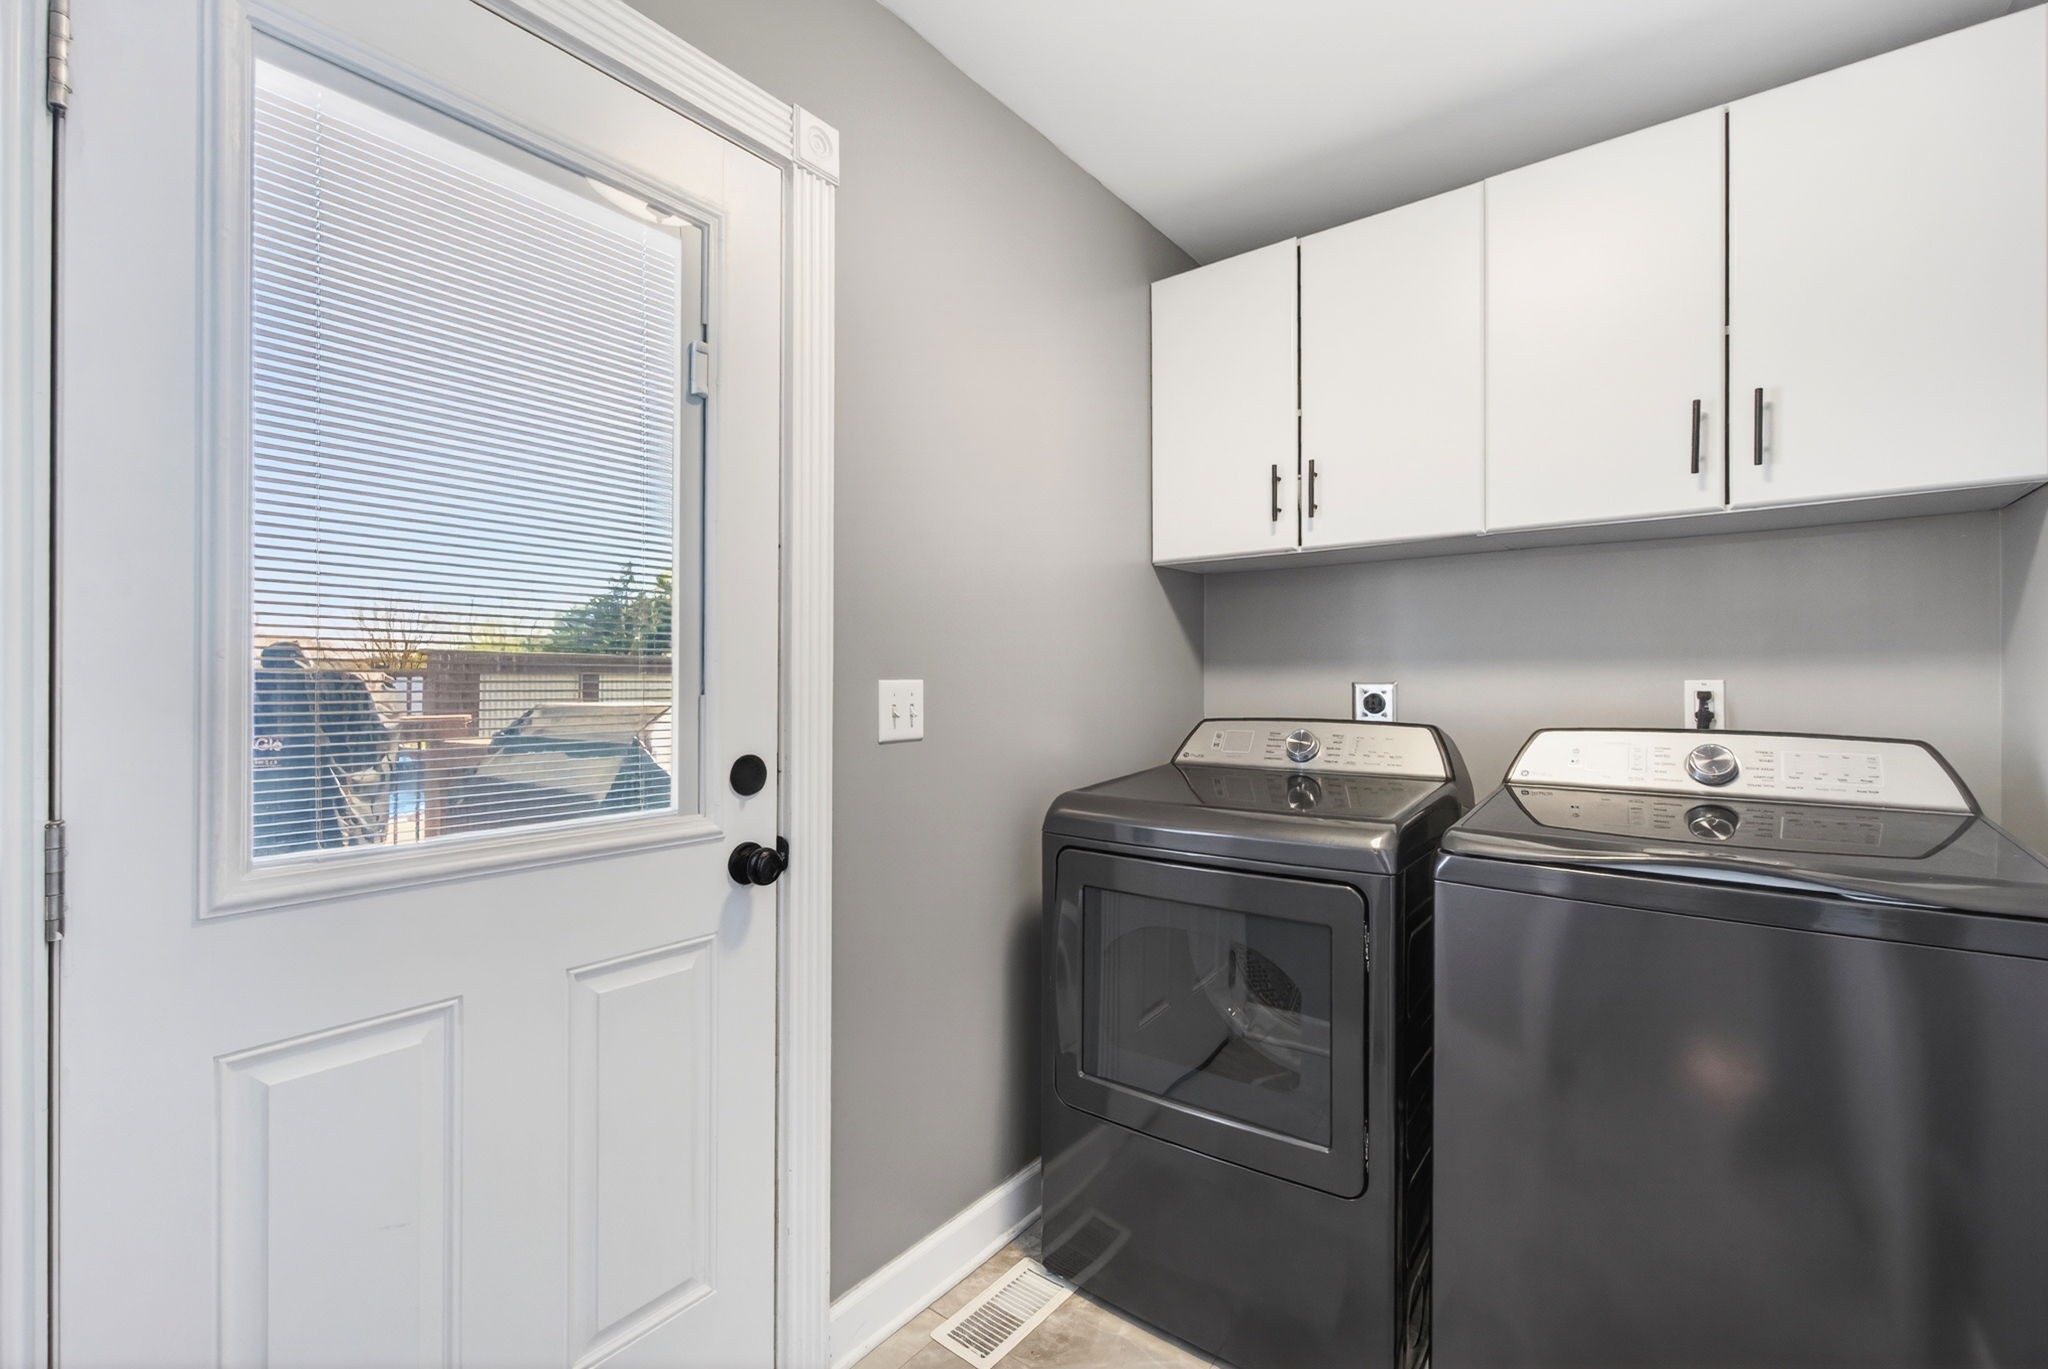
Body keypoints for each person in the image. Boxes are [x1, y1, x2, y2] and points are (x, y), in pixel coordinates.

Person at [252, 640, 396, 853]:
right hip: (318, 823)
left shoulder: (249, 692)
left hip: (264, 828)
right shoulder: (334, 685)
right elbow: (367, 758)